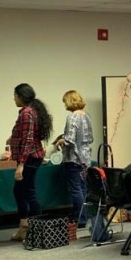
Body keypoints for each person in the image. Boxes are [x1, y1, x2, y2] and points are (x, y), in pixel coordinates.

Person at [6, 83, 51, 242]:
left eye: (15, 96)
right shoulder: (32, 111)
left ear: (21, 96)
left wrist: (21, 165)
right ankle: (25, 228)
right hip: (31, 157)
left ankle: (34, 230)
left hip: (29, 159)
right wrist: (13, 138)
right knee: (22, 192)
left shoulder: (26, 113)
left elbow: (28, 140)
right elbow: (27, 135)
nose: (13, 99)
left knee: (26, 193)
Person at [54, 90, 94, 230]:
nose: (64, 104)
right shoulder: (87, 116)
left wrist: (60, 141)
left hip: (73, 158)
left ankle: (79, 218)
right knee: (83, 188)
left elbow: (70, 140)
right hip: (85, 158)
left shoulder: (72, 117)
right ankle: (84, 217)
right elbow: (90, 138)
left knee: (75, 189)